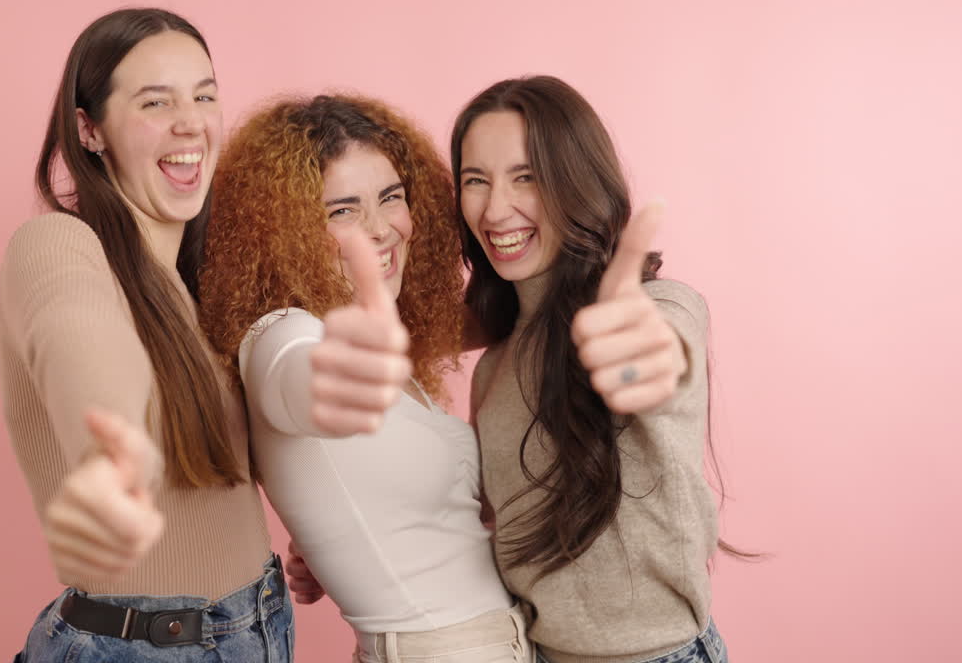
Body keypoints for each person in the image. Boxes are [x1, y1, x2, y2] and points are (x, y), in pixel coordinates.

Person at [0, 8, 406, 662]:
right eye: (155, 102)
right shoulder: (60, 245)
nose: (191, 122)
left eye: (204, 95)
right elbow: (80, 341)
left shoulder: (211, 282)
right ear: (89, 129)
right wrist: (116, 450)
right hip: (141, 647)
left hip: (258, 629)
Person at [289, 77, 733, 663]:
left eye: (526, 177)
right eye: (476, 181)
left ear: (576, 180)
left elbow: (666, 349)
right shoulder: (496, 364)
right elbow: (481, 515)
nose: (496, 210)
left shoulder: (655, 308)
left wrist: (647, 357)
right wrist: (344, 531)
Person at [198, 94, 533, 663]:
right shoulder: (282, 334)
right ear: (285, 231)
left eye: (391, 198)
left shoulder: (367, 331)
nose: (381, 229)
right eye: (342, 210)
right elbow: (298, 380)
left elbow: (511, 314)